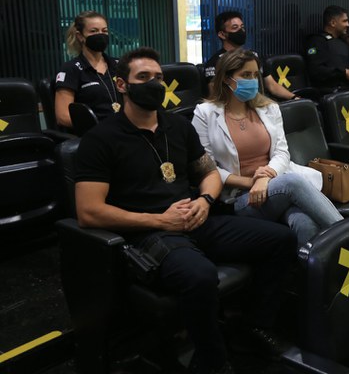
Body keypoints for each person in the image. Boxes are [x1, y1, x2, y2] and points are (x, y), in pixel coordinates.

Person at [75, 47, 296, 374]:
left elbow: (209, 173)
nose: (155, 84)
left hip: (196, 216)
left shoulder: (177, 126)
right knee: (200, 276)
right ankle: (212, 362)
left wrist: (205, 201)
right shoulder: (100, 139)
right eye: (143, 77)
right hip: (149, 232)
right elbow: (88, 211)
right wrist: (160, 219)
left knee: (281, 240)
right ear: (122, 85)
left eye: (159, 77)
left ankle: (253, 327)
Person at [193, 49, 343, 244]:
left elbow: (282, 152)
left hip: (274, 185)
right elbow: (208, 168)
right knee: (292, 182)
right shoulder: (204, 113)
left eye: (256, 75)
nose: (253, 80)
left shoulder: (269, 108)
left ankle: (312, 263)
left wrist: (266, 178)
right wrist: (252, 182)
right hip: (240, 197)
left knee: (305, 223)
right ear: (227, 79)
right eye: (246, 75)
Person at [204, 11, 298, 101]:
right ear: (222, 34)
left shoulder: (254, 56)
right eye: (235, 27)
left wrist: (294, 98)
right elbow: (215, 96)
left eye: (242, 27)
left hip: (261, 104)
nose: (241, 30)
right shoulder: (215, 62)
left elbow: (272, 86)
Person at [55, 10, 122, 129]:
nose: (100, 35)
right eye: (93, 31)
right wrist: (98, 129)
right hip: (95, 133)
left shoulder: (119, 65)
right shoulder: (70, 69)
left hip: (124, 129)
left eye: (104, 31)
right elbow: (63, 117)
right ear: (80, 36)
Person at [305, 5, 349, 93]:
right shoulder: (317, 41)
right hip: (331, 93)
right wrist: (344, 73)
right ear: (333, 23)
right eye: (344, 21)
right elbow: (316, 70)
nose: (348, 25)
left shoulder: (344, 42)